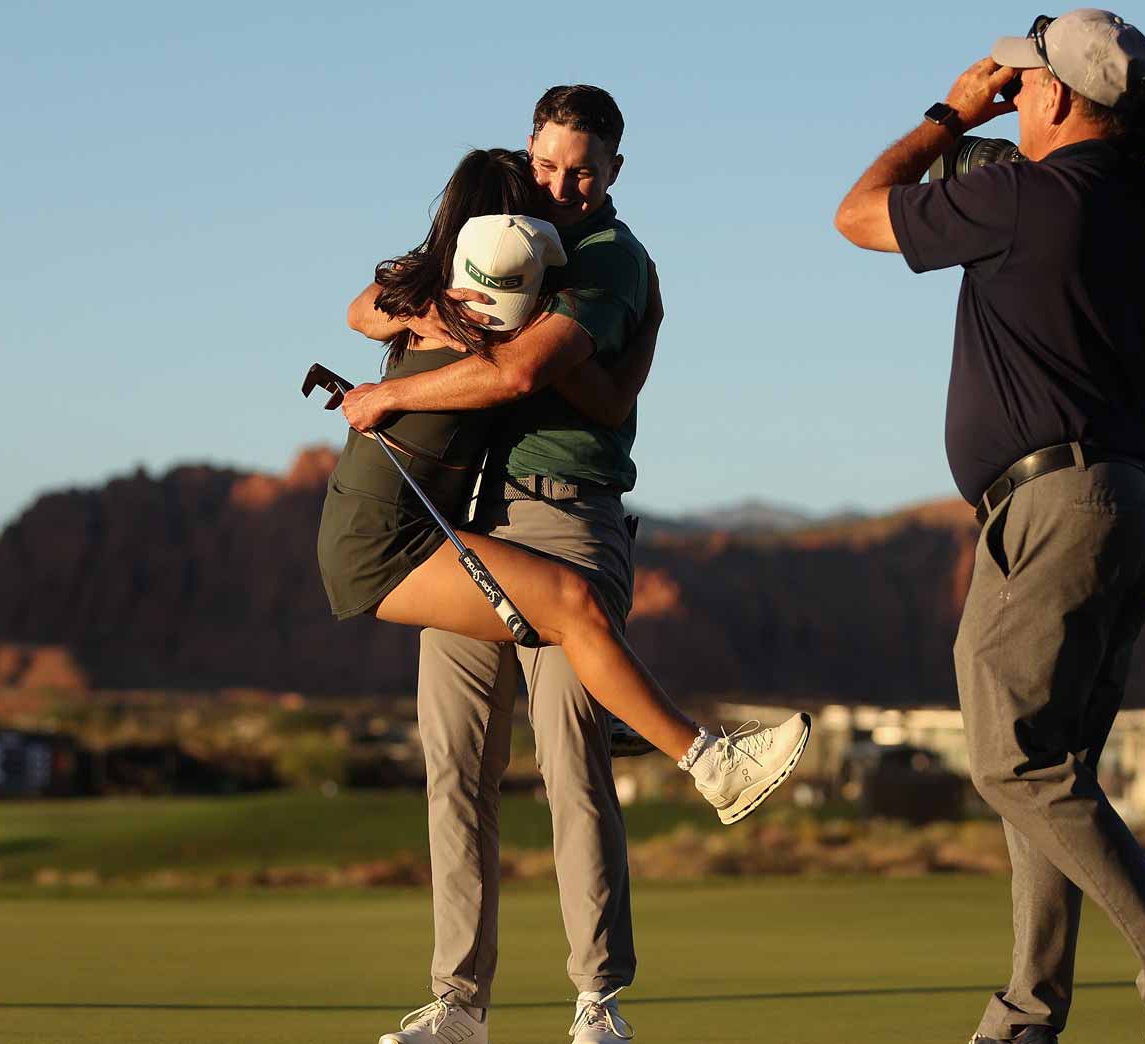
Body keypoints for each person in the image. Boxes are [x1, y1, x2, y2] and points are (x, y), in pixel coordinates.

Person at [335, 100, 810, 1044]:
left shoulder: (609, 259)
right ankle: (458, 1006)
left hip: (566, 517)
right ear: (529, 153)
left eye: (582, 171)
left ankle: (597, 999)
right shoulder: (502, 228)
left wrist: (395, 390)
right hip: (464, 521)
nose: (561, 185)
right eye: (548, 164)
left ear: (615, 170)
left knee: (571, 764)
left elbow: (523, 371)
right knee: (456, 773)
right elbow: (364, 304)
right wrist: (433, 306)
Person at [833, 10, 1145, 1044]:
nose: (1011, 95)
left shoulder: (1022, 197)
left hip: (1055, 507)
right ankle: (1025, 1017)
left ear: (1062, 97)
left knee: (1010, 766)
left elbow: (857, 214)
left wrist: (945, 115)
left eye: (1023, 84)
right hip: (1133, 505)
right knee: (1049, 772)